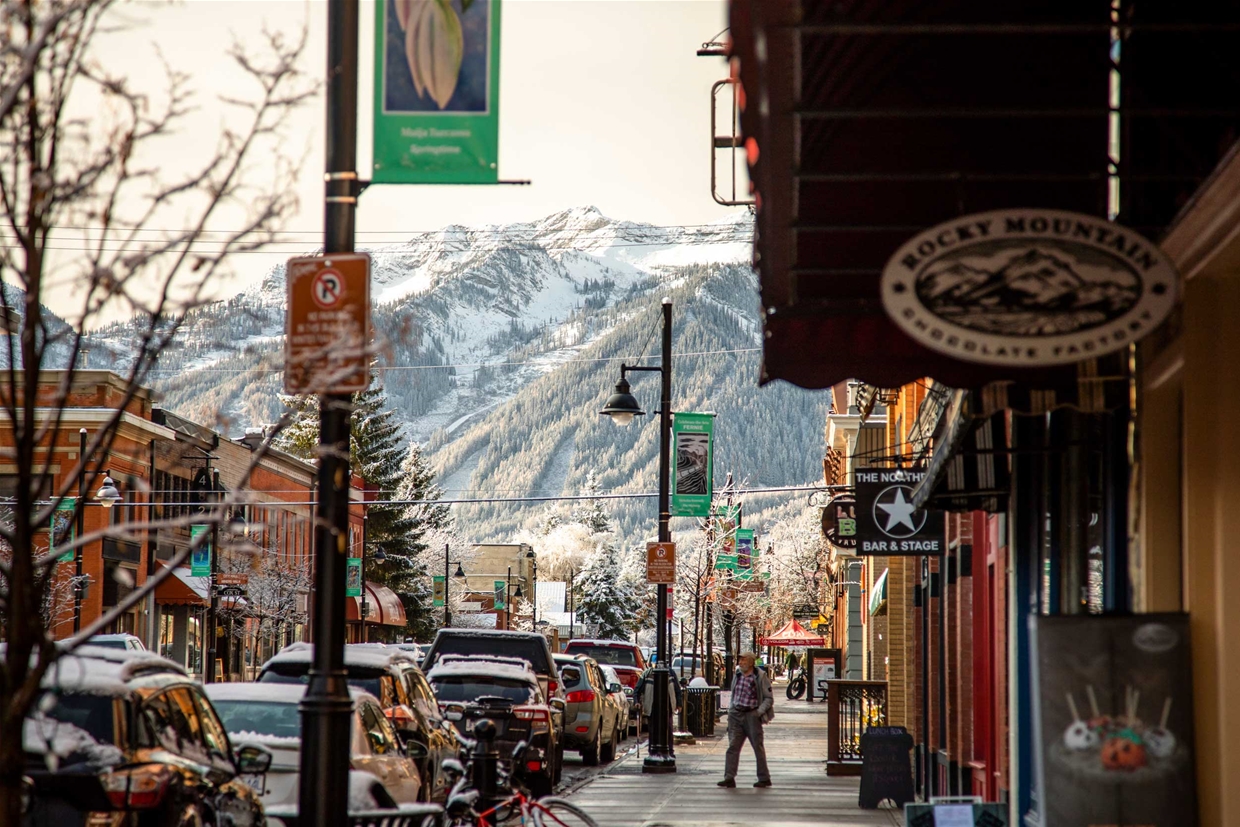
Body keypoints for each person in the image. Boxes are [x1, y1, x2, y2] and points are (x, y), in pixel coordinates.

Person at [718, 651, 773, 789]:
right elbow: (733, 693)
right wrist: (731, 710)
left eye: (744, 660)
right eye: (740, 660)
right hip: (736, 714)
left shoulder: (760, 676)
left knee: (757, 747)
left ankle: (764, 778)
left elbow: (768, 698)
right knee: (732, 746)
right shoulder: (737, 674)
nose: (741, 662)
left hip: (751, 715)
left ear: (751, 662)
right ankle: (729, 777)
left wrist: (758, 712)